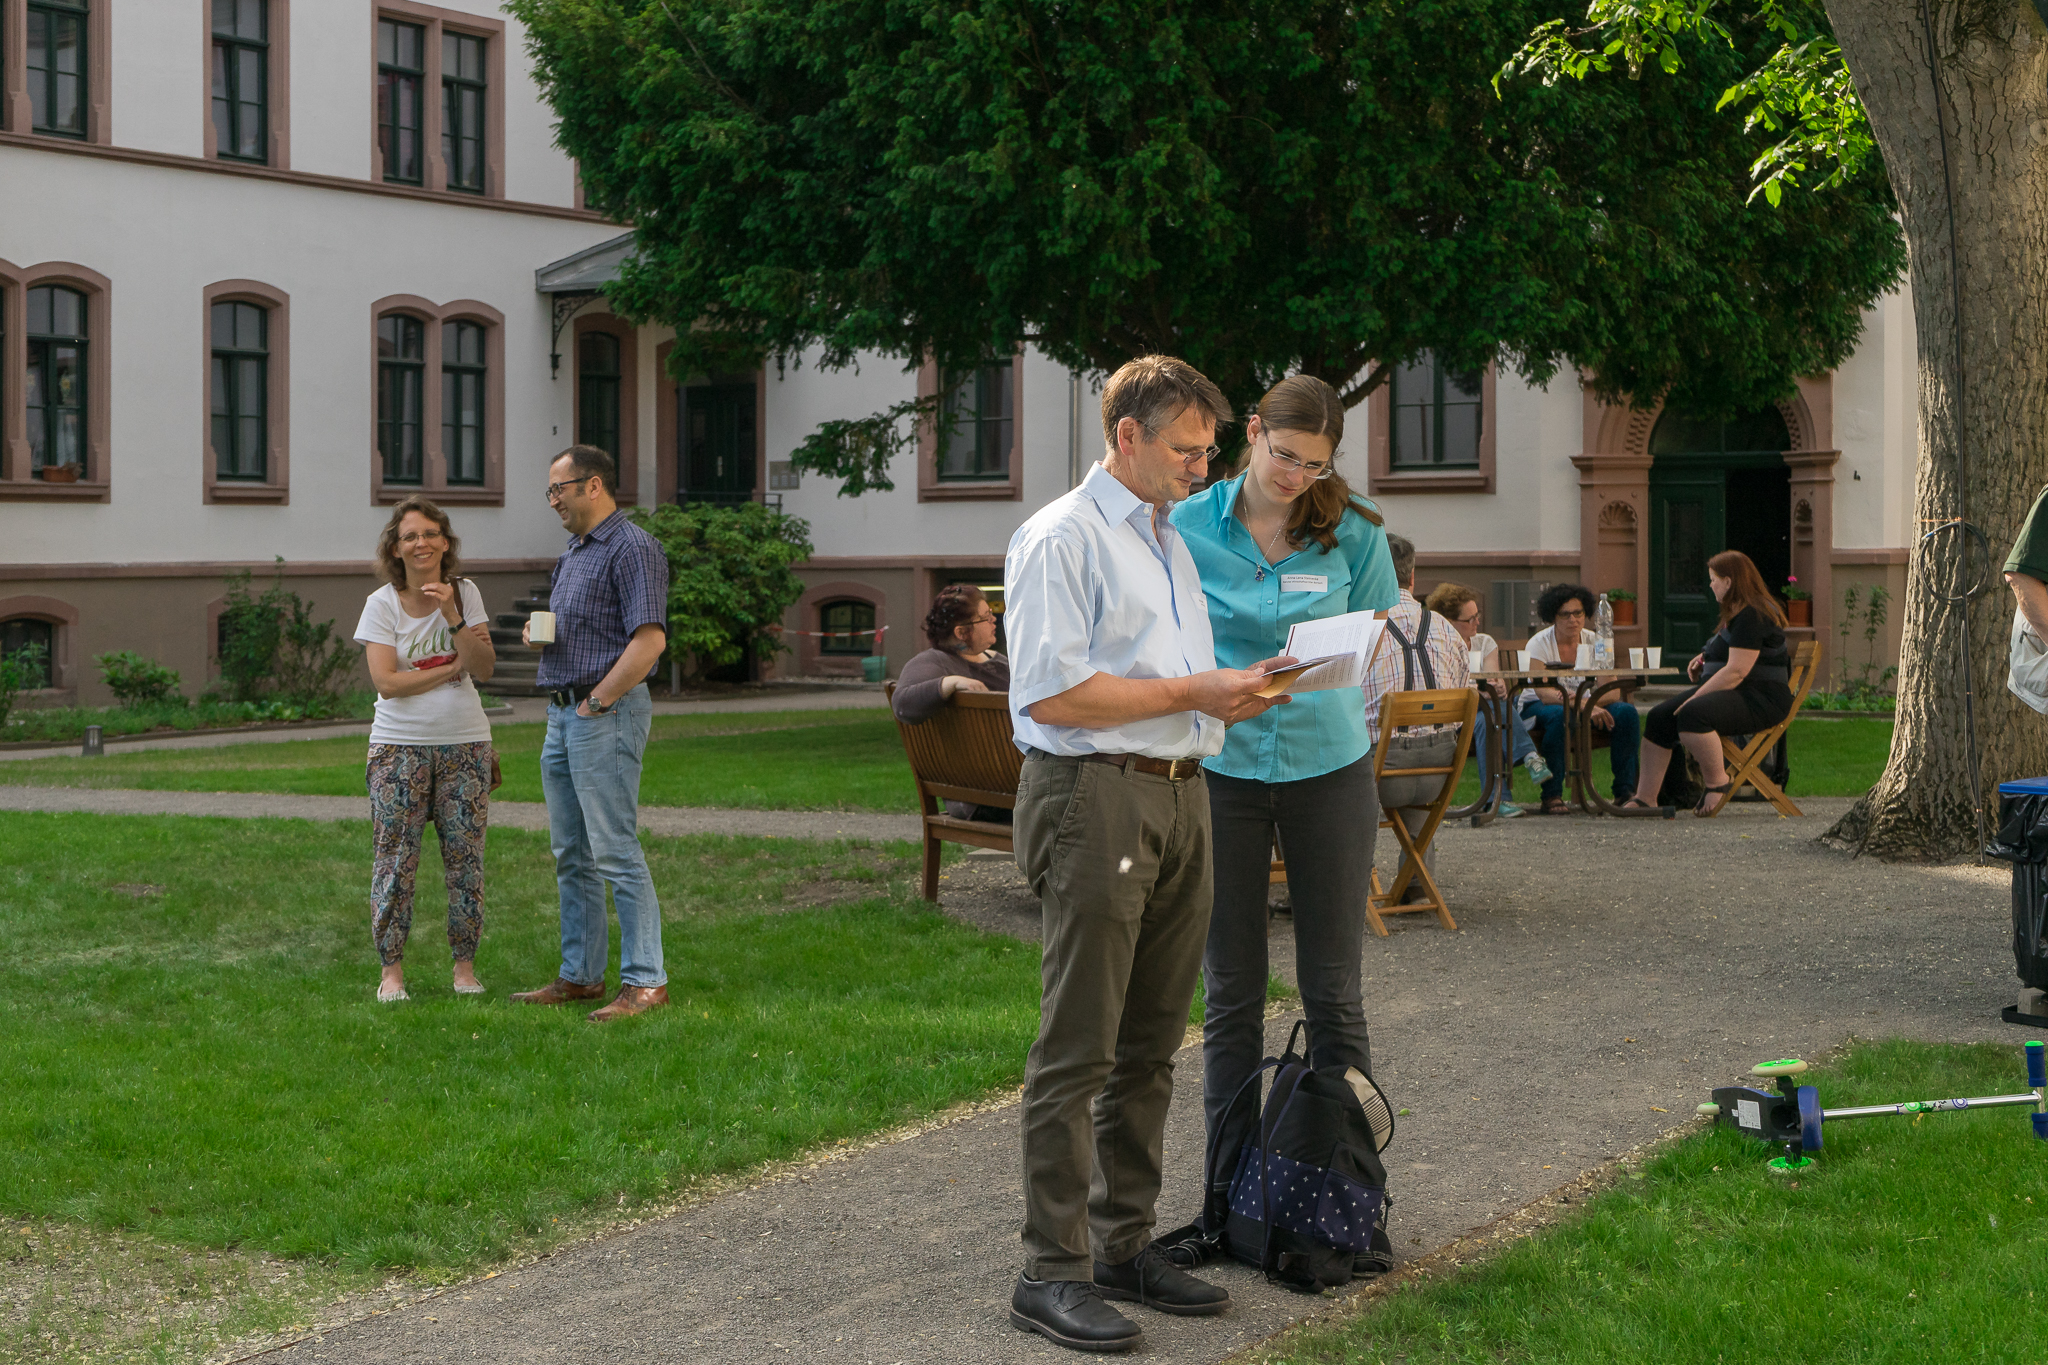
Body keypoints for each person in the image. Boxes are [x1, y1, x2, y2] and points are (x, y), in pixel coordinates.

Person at [1003, 355, 1294, 1354]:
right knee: (1077, 1044)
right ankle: (1050, 1268)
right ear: (1125, 435)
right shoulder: (1060, 539)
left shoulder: (1166, 542)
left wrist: (1240, 690)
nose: (1200, 467)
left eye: (1208, 451)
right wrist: (1194, 694)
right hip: (1095, 797)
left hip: (1177, 794)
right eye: (1184, 449)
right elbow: (1053, 696)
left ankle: (1123, 1244)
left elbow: (1171, 679)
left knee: (1150, 1045)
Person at [1170, 373, 1398, 1252]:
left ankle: (1346, 1203)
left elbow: (1373, 630)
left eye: (1316, 463)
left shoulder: (1357, 530)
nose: (1296, 474)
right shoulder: (1186, 525)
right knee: (1229, 992)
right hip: (1221, 771)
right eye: (1284, 454)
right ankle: (1226, 1202)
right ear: (1253, 433)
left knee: (1334, 989)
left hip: (1328, 768)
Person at [511, 445, 673, 1022]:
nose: (553, 500)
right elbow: (588, 632)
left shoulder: (632, 548)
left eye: (560, 489)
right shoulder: (575, 552)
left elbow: (648, 642)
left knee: (614, 847)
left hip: (602, 713)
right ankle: (580, 976)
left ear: (594, 485)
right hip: (562, 714)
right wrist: (542, 635)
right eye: (550, 491)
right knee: (571, 853)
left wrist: (598, 703)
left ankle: (646, 982)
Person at [353, 496, 497, 1003]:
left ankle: (464, 969)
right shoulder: (382, 604)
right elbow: (387, 683)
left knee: (465, 861)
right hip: (398, 749)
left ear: (445, 542)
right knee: (395, 862)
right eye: (410, 536)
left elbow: (483, 666)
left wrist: (452, 615)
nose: (421, 544)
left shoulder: (467, 593)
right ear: (396, 546)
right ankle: (391, 973)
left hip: (466, 744)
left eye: (430, 534)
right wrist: (449, 667)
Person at [1629, 551, 1794, 815]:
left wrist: (1697, 696)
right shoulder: (1739, 613)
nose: (1710, 585)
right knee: (1660, 717)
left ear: (1729, 582)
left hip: (1761, 699)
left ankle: (1718, 783)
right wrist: (1706, 658)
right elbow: (1733, 652)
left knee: (1694, 713)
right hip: (1740, 693)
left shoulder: (1753, 615)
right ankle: (1646, 798)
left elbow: (1737, 671)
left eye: (1713, 580)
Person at [1359, 536, 1469, 897]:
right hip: (1439, 772)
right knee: (1420, 742)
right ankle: (1419, 881)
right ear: (1412, 574)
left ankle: (1328, 888)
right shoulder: (1447, 630)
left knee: (1308, 776)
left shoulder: (1363, 629)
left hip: (1378, 779)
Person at [1422, 582, 1549, 815]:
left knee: (1487, 722)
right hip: (1454, 716)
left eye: (1477, 616)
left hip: (1483, 712)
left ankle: (1497, 800)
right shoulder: (1436, 647)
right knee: (1492, 710)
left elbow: (1491, 678)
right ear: (1449, 622)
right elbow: (1445, 687)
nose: (1477, 623)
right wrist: (1476, 690)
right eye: (1470, 619)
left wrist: (1498, 686)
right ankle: (1530, 757)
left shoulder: (1484, 642)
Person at [892, 583, 1013, 822]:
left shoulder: (999, 662)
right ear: (961, 632)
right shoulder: (934, 662)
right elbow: (903, 703)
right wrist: (949, 683)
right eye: (985, 617)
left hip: (1010, 786)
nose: (994, 621)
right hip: (985, 797)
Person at [1519, 584, 1641, 813]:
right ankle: (1552, 795)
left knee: (1626, 713)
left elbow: (1613, 691)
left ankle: (1625, 791)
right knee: (1560, 716)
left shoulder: (1597, 642)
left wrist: (1587, 706)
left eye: (1579, 613)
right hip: (1541, 706)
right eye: (1565, 614)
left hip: (1585, 705)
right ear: (1553, 616)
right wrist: (1584, 706)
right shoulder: (1539, 643)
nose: (1573, 619)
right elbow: (1543, 692)